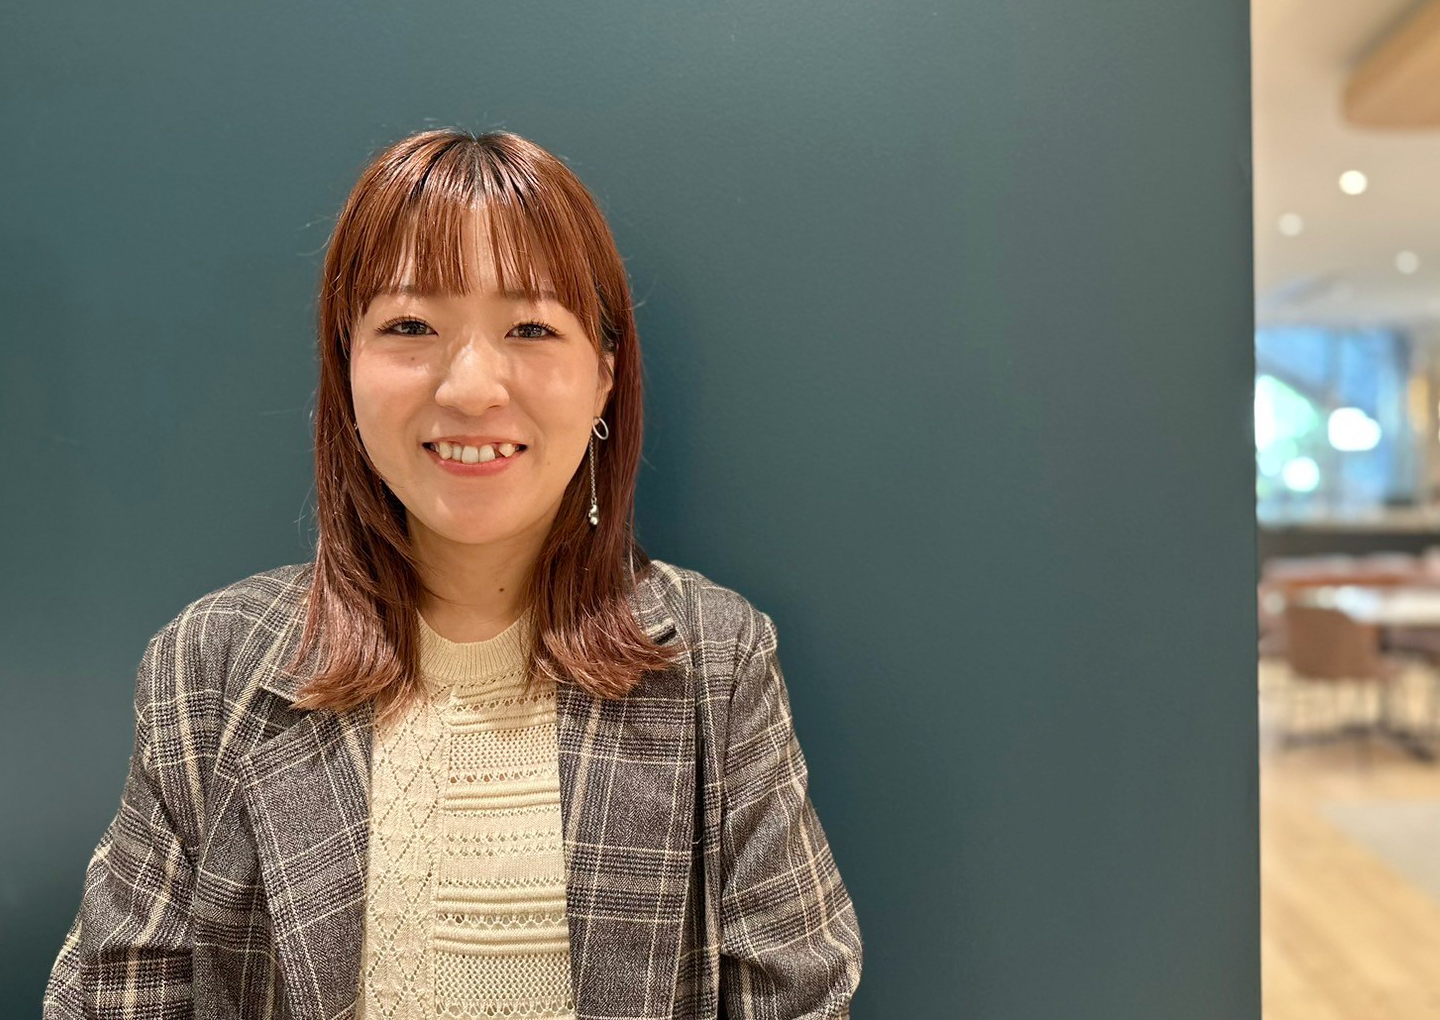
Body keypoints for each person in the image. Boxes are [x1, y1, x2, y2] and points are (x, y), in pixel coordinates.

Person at [43, 128, 862, 1019]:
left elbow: (801, 999)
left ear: (604, 377)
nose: (471, 388)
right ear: (346, 368)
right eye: (410, 327)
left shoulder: (716, 660)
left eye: (531, 328)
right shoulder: (208, 666)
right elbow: (112, 999)